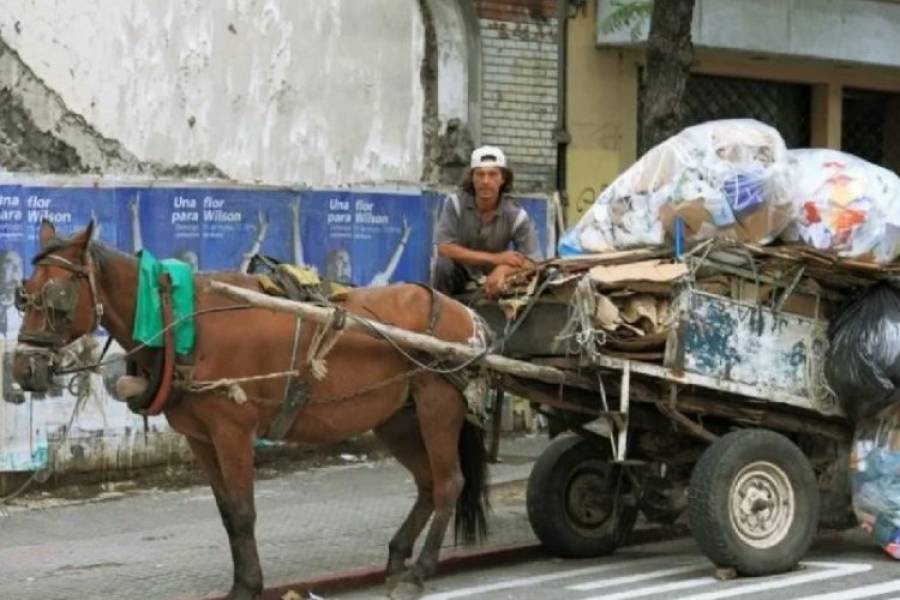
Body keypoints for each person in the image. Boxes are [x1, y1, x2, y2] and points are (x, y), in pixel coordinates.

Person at [432, 145, 541, 297]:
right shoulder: (456, 203)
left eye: (492, 174)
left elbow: (533, 261)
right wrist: (496, 258)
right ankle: (440, 314)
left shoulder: (516, 215)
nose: (485, 181)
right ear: (472, 178)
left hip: (496, 282)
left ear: (502, 179)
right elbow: (444, 248)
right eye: (480, 174)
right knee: (443, 265)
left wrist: (502, 269)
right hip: (460, 276)